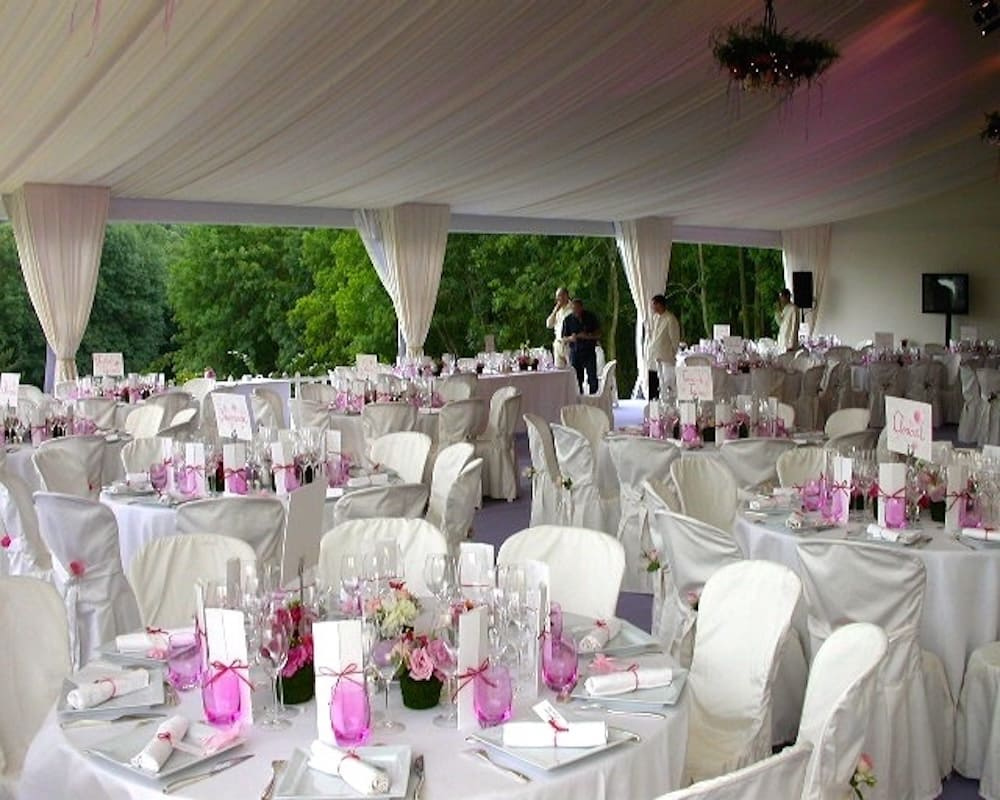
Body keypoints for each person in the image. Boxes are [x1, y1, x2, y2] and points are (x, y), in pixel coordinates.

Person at [561, 298, 601, 394]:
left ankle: (593, 399)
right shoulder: (568, 320)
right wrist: (571, 338)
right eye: (574, 309)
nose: (576, 311)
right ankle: (579, 399)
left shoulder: (590, 317)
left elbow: (599, 334)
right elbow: (563, 338)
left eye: (577, 308)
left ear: (582, 307)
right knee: (577, 379)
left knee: (592, 377)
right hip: (575, 352)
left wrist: (588, 336)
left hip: (589, 351)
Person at [645, 294, 680, 399]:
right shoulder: (655, 318)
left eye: (653, 305)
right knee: (653, 382)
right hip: (653, 356)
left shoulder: (670, 319)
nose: (652, 308)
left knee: (666, 383)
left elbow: (675, 339)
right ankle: (652, 405)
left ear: (659, 305)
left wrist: (672, 354)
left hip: (665, 357)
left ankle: (666, 405)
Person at [546, 287, 573, 368]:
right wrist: (555, 311)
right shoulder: (557, 311)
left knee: (572, 370)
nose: (557, 299)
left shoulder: (572, 309)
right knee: (559, 371)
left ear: (566, 296)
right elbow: (549, 325)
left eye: (559, 296)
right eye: (557, 296)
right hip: (558, 344)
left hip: (568, 344)